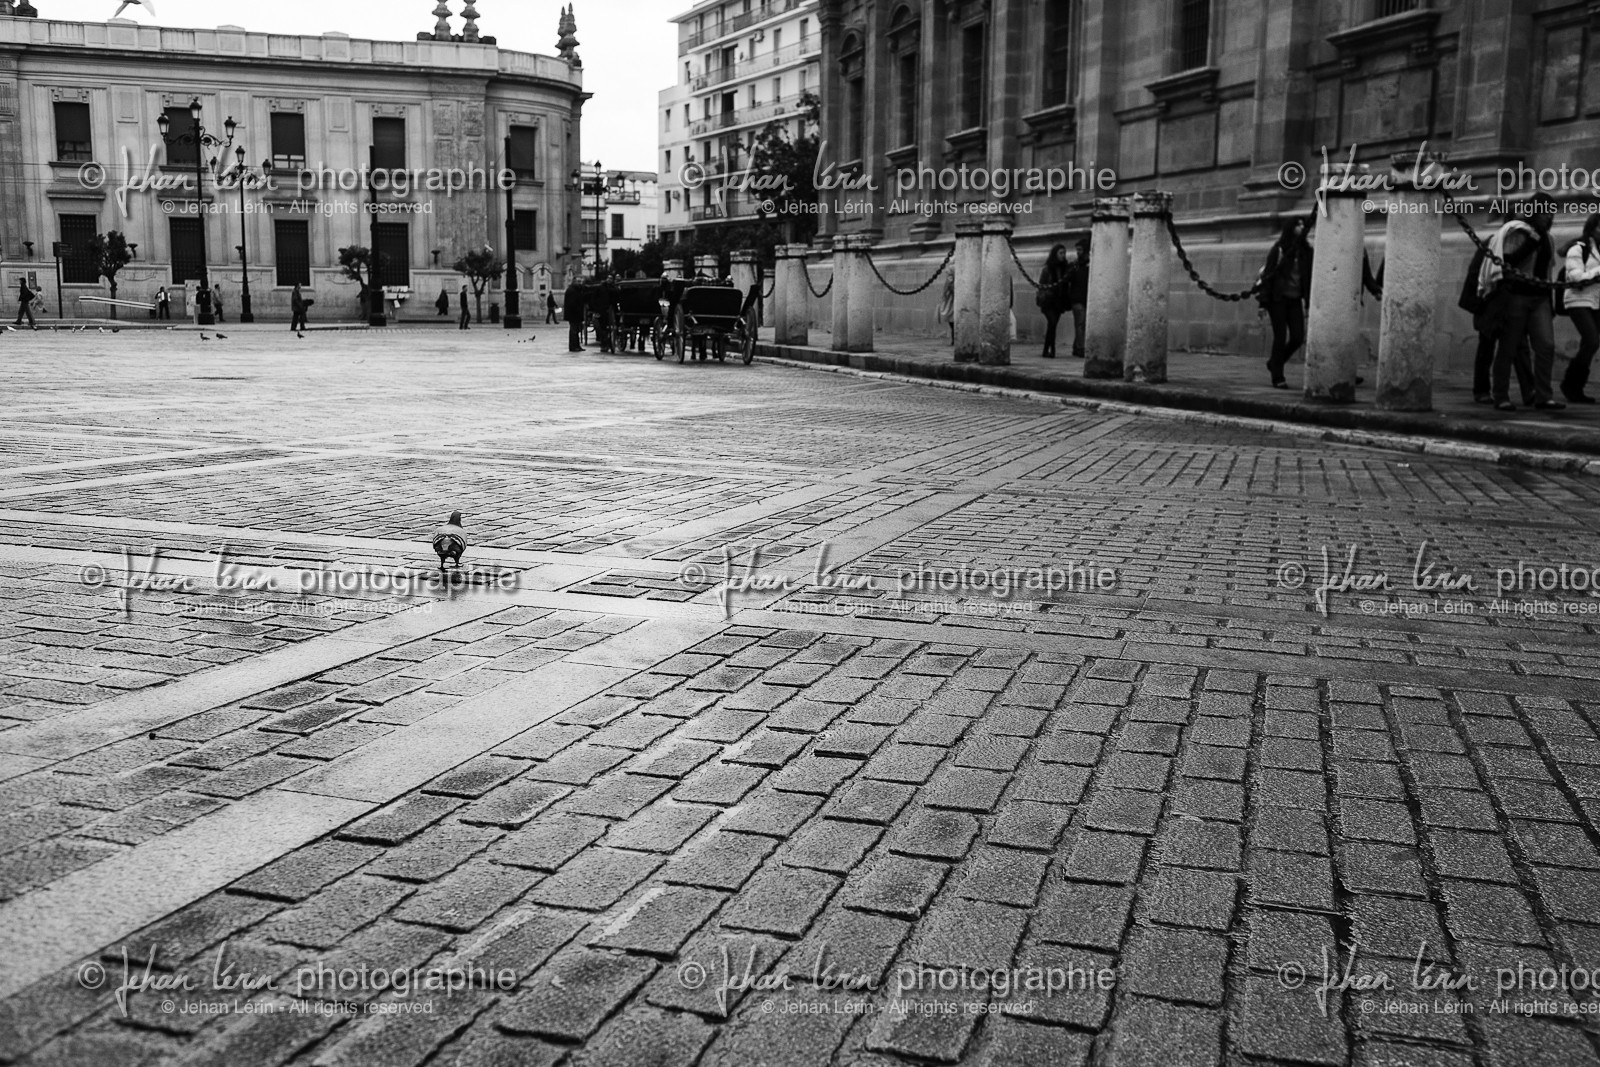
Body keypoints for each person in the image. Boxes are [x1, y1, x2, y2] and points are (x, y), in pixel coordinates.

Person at [1482, 196, 1564, 411]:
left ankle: (1543, 396)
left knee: (1546, 346)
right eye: (1544, 212)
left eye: (1551, 212)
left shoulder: (1548, 238)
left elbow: (1547, 270)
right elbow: (1508, 261)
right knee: (1509, 347)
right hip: (1517, 296)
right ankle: (1501, 395)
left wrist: (1549, 302)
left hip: (1540, 298)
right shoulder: (1517, 232)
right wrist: (1531, 242)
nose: (1548, 217)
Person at [1259, 218, 1312, 388]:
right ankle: (1278, 376)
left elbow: (1309, 278)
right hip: (1278, 299)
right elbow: (1268, 276)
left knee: (1297, 337)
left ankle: (1275, 362)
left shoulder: (1306, 252)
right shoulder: (1279, 250)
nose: (1302, 227)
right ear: (1291, 228)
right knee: (1280, 337)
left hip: (1295, 299)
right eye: (1298, 224)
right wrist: (1262, 303)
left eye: (1303, 224)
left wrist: (1309, 302)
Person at [1561, 214, 1600, 404]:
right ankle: (1571, 384)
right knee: (1592, 340)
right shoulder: (1578, 249)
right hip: (1578, 300)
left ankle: (1575, 388)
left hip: (1596, 302)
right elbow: (1576, 277)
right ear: (1591, 229)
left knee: (1590, 344)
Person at [1036, 244, 1069, 359]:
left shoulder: (1065, 269)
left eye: (1064, 253)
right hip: (1048, 300)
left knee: (1052, 325)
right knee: (1052, 323)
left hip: (1058, 301)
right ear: (1055, 254)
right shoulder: (1047, 269)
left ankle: (1046, 349)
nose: (1063, 255)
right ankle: (1052, 349)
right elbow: (1041, 284)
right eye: (1061, 253)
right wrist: (1042, 296)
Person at [1068, 238, 1090, 359]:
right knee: (1080, 323)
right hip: (1077, 298)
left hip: (1085, 297)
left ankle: (1077, 346)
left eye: (1080, 250)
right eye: (1077, 250)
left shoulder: (1089, 265)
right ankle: (1080, 348)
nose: (1078, 252)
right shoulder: (1075, 266)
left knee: (1082, 324)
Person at [564, 276, 586, 351]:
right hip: (573, 314)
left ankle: (577, 345)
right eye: (578, 281)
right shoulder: (571, 290)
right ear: (574, 281)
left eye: (580, 281)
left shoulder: (577, 290)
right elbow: (572, 304)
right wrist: (577, 310)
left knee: (576, 330)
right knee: (574, 330)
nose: (580, 283)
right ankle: (573, 346)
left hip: (576, 314)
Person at [936, 270, 955, 345]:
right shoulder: (949, 281)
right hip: (950, 301)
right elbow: (945, 291)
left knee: (953, 321)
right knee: (951, 321)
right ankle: (953, 339)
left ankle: (954, 339)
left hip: (954, 301)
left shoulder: (952, 280)